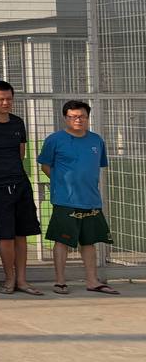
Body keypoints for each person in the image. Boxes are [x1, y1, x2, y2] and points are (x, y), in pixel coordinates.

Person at [39, 100, 118, 295]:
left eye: (82, 116)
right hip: (65, 200)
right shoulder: (54, 140)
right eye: (73, 116)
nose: (78, 120)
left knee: (89, 242)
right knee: (62, 241)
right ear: (65, 118)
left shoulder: (96, 141)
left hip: (91, 199)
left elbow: (97, 166)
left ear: (88, 117)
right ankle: (60, 282)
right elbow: (45, 166)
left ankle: (92, 281)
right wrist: (61, 183)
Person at [0, 81, 42, 295]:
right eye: (1, 99)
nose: (6, 103)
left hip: (20, 183)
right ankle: (9, 278)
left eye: (9, 99)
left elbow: (21, 152)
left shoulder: (17, 122)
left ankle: (22, 280)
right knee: (5, 235)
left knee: (22, 234)